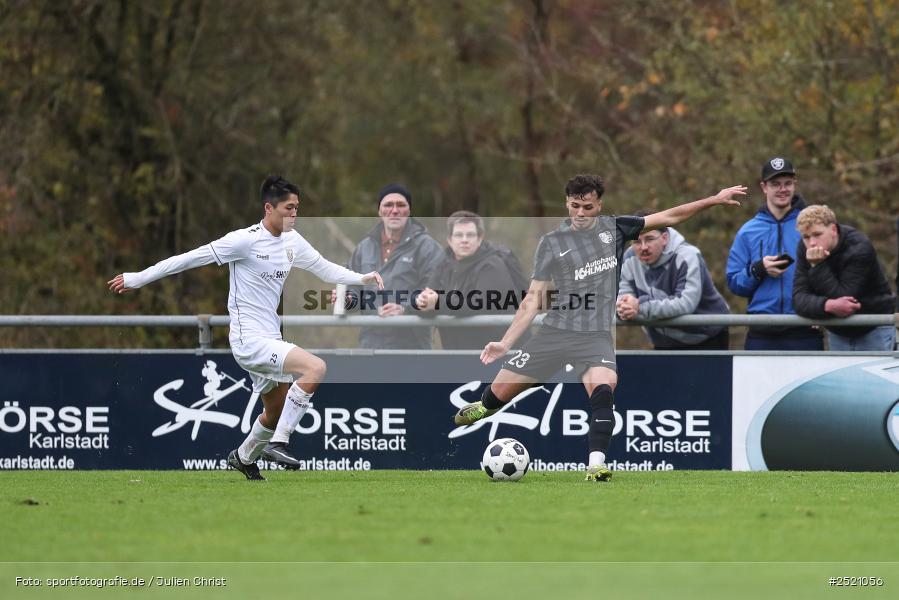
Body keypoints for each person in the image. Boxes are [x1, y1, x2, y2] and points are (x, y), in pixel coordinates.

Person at [452, 174, 746, 482]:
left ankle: (596, 465)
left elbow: (670, 215)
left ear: (599, 205)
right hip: (554, 333)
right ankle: (483, 407)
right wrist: (505, 342)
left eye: (588, 207)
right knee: (496, 398)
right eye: (575, 206)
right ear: (567, 204)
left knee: (604, 390)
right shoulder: (551, 243)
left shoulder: (616, 228)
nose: (580, 213)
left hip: (595, 338)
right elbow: (532, 299)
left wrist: (712, 199)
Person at [108, 175, 383, 479]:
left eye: (297, 208)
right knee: (315, 368)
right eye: (289, 208)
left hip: (271, 337)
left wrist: (361, 278)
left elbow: (322, 266)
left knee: (275, 410)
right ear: (269, 207)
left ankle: (243, 456)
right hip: (248, 339)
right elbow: (188, 259)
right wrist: (137, 278)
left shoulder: (293, 241)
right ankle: (279, 442)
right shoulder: (244, 240)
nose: (295, 214)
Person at [726, 157, 823, 350]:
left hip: (805, 329)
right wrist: (758, 269)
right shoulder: (748, 231)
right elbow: (734, 283)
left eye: (787, 183)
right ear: (764, 187)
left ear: (795, 185)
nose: (782, 189)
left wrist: (821, 309)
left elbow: (830, 271)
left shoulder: (813, 226)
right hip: (761, 333)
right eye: (775, 184)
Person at [344, 184, 444, 349]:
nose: (395, 210)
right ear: (379, 211)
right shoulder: (364, 247)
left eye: (401, 205)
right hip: (370, 345)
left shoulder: (427, 247)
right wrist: (347, 300)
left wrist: (404, 309)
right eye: (388, 205)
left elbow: (435, 292)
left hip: (412, 347)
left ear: (409, 211)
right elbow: (352, 289)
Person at [415, 211, 528, 349]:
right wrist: (420, 304)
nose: (464, 240)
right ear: (449, 240)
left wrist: (438, 302)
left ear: (480, 238)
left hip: (497, 353)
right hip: (459, 354)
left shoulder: (493, 265)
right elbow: (428, 298)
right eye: (458, 235)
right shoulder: (443, 264)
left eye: (470, 235)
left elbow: (478, 302)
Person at [617, 211, 730, 350]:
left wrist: (640, 306)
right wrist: (623, 307)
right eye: (637, 241)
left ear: (664, 238)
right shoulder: (628, 258)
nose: (643, 247)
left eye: (650, 239)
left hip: (707, 337)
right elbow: (623, 294)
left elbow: (685, 303)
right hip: (662, 341)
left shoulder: (688, 255)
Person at [792, 205, 895, 351]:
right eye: (806, 237)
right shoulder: (805, 249)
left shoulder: (859, 246)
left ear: (833, 230)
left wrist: (817, 265)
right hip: (837, 330)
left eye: (817, 234)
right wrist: (826, 305)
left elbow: (845, 299)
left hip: (873, 327)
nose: (812, 243)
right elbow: (798, 299)